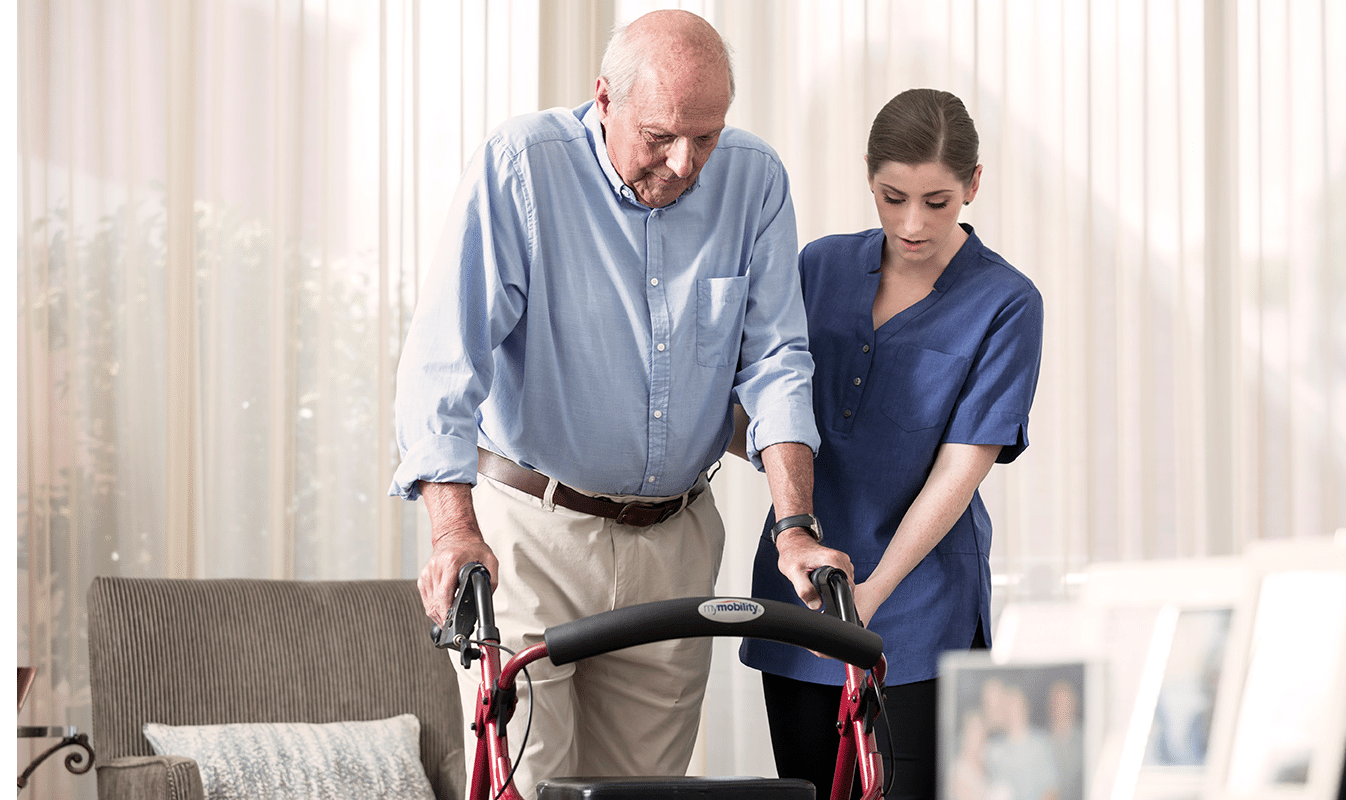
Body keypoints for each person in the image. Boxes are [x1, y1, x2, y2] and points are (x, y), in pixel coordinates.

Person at [388, 9, 851, 797]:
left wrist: (796, 529)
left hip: (673, 541)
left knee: (644, 793)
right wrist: (452, 531)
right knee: (530, 786)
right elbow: (443, 362)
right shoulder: (521, 167)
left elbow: (776, 363)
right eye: (661, 136)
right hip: (532, 539)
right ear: (603, 99)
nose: (684, 163)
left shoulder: (754, 178)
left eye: (705, 137)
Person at [737, 87, 1045, 799]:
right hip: (801, 594)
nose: (913, 223)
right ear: (868, 177)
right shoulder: (818, 267)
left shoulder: (1006, 302)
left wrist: (873, 593)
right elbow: (770, 411)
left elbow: (961, 468)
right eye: (892, 196)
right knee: (810, 789)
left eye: (937, 201)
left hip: (918, 608)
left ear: (973, 184)